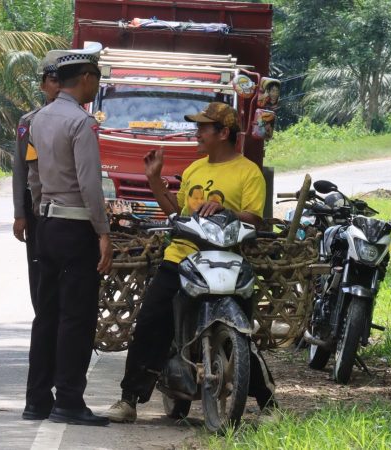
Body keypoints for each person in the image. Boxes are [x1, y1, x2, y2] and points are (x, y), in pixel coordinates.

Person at [104, 102, 278, 423]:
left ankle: (268, 403)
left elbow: (254, 218)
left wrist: (225, 211)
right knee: (151, 324)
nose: (197, 133)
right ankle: (129, 400)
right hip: (180, 258)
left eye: (203, 128)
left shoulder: (248, 172)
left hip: (226, 260)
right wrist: (154, 179)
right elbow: (178, 213)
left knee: (242, 330)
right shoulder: (195, 169)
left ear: (223, 133)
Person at [23, 41, 113, 426]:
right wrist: (103, 233)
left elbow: (34, 178)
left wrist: (40, 216)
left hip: (47, 224)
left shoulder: (38, 119)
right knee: (76, 316)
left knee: (47, 314)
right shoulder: (81, 123)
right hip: (77, 227)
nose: (97, 88)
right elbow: (90, 185)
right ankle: (70, 400)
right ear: (87, 79)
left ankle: (37, 398)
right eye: (97, 81)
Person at [12, 55, 59, 305]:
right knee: (37, 265)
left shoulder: (80, 122)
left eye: (62, 81)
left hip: (66, 205)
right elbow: (20, 168)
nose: (57, 86)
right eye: (52, 80)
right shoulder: (27, 122)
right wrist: (20, 213)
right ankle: (41, 316)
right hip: (36, 206)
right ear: (43, 86)